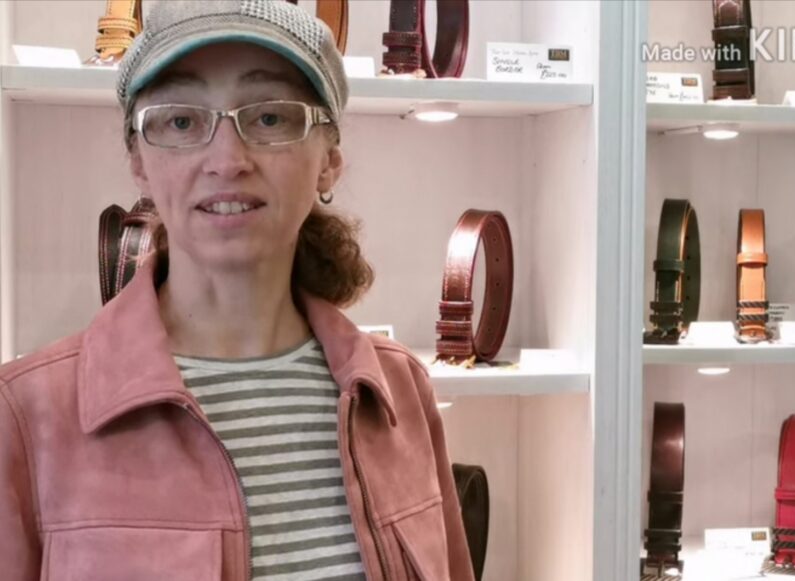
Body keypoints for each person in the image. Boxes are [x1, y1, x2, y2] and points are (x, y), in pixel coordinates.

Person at [0, 2, 473, 579]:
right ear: (139, 162)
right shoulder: (28, 416)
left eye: (270, 118)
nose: (226, 160)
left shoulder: (398, 393)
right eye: (181, 121)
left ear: (329, 160)